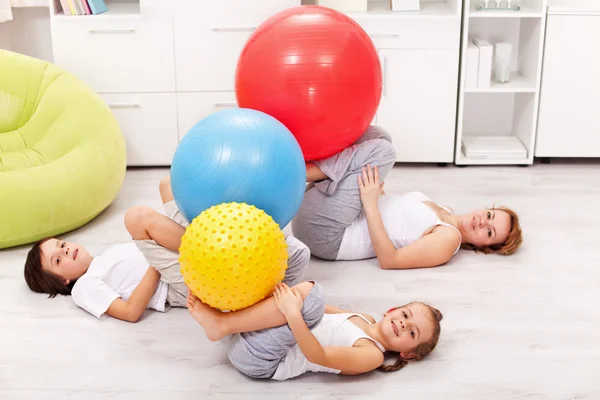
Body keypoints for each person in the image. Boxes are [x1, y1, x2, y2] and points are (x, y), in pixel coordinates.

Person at [23, 176, 310, 322]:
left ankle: (220, 238)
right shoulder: (83, 288)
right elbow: (130, 311)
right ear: (62, 280)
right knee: (135, 217)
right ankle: (216, 243)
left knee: (167, 185)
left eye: (62, 244)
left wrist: (156, 249)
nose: (67, 250)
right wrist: (155, 262)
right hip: (173, 282)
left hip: (173, 256)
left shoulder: (104, 257)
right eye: (58, 259)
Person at [291, 126, 523, 269]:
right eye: (490, 215)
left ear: (485, 247)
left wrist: (371, 205)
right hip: (335, 213)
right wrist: (379, 195)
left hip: (326, 235)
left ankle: (297, 172)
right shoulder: (446, 211)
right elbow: (397, 218)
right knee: (380, 136)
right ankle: (304, 161)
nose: (483, 221)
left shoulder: (448, 240)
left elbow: (390, 260)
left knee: (384, 151)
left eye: (489, 232)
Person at [187, 281, 443, 380]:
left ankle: (221, 325)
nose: (403, 324)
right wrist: (288, 296)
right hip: (262, 338)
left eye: (412, 333)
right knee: (299, 259)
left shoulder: (372, 355)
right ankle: (229, 313)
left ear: (408, 354)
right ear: (392, 309)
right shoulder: (363, 318)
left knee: (312, 293)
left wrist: (293, 313)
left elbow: (317, 356)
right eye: (406, 315)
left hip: (262, 360)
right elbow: (318, 310)